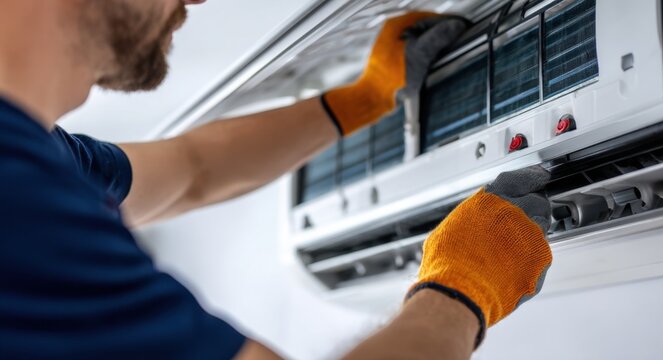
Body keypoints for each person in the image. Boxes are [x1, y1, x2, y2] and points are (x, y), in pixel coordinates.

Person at [0, 1, 553, 359]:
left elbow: (194, 170)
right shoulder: (18, 190)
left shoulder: (41, 156)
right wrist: (461, 290)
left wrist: (363, 97)